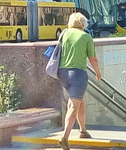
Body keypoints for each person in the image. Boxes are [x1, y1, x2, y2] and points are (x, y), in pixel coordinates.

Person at [54, 11, 101, 149]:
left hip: (62, 73)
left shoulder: (64, 33)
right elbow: (92, 58)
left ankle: (83, 130)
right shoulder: (86, 37)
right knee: (73, 106)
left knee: (80, 100)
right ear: (83, 23)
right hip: (78, 74)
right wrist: (98, 72)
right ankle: (65, 137)